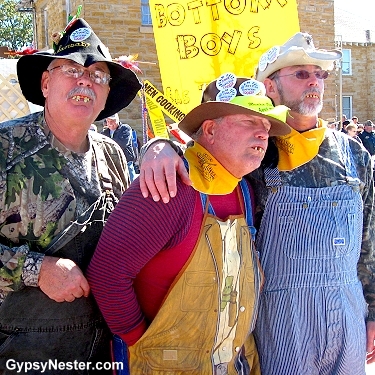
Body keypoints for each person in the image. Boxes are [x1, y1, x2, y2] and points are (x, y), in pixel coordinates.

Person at [138, 32, 375, 374]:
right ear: (270, 87)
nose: (315, 82)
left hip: (349, 310)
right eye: (301, 73)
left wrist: (373, 310)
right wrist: (160, 145)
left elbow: (369, 241)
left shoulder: (353, 153)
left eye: (320, 74)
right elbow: (203, 152)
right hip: (279, 316)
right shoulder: (256, 152)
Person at [87, 76, 290, 374]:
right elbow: (107, 275)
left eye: (267, 125)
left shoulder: (244, 191)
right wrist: (141, 344)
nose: (263, 134)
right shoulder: (168, 187)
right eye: (249, 121)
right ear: (209, 128)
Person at [0, 17, 141, 373]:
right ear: (46, 83)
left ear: (108, 94)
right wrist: (37, 269)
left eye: (98, 75)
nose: (85, 81)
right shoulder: (5, 148)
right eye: (71, 69)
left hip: (99, 354)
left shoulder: (113, 156)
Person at [102, 113, 138, 181]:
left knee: (130, 184)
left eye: (112, 121)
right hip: (112, 164)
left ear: (117, 120)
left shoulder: (125, 128)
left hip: (126, 161)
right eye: (108, 121)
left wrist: (107, 144)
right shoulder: (105, 132)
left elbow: (122, 143)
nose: (110, 123)